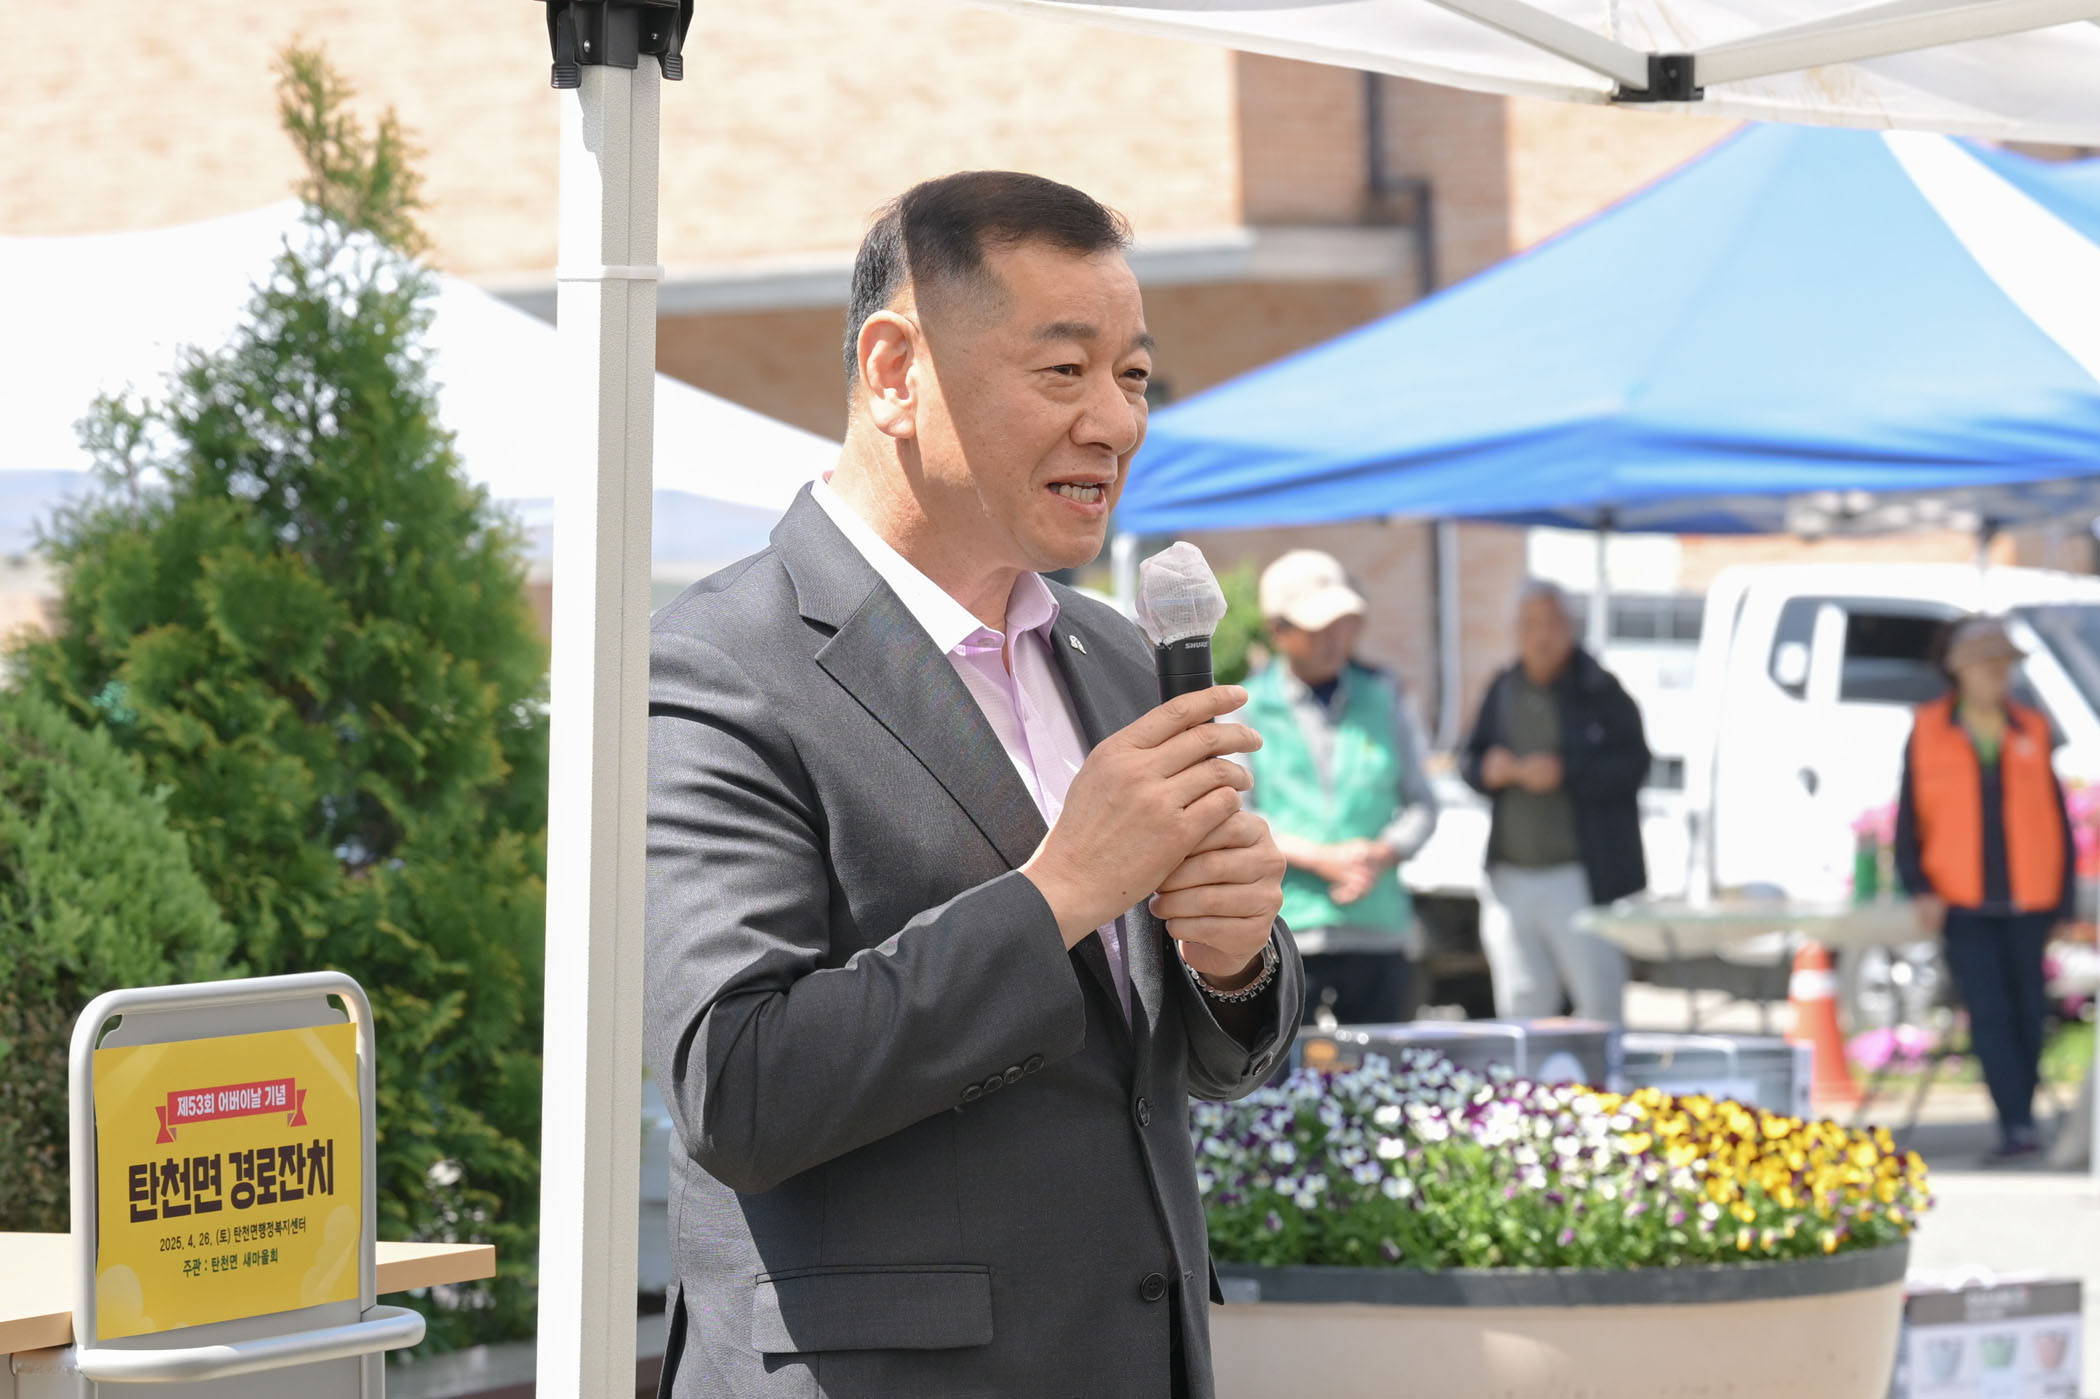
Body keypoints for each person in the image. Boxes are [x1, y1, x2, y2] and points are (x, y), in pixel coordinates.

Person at [645, 172, 1302, 1399]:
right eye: (1064, 370)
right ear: (896, 371)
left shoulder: (1118, 657)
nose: (1116, 422)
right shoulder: (719, 663)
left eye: (1135, 376)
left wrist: (1236, 963)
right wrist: (1060, 892)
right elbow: (737, 1087)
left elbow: (1184, 1065)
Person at [1895, 615, 2074, 1161]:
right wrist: (1919, 885)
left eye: (2005, 663)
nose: (1999, 673)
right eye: (1987, 663)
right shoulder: (1929, 728)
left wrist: (2064, 901)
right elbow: (1909, 820)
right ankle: (2016, 1124)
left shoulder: (2030, 727)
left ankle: (2023, 1118)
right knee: (1990, 1013)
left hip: (2029, 897)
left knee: (2029, 1012)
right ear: (1960, 670)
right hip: (1963, 901)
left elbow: (2057, 819)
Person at [1236, 549, 1438, 1025]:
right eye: (1317, 626)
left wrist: (1379, 853)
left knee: (1380, 1067)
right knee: (1282, 1068)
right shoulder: (1246, 706)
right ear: (1277, 630)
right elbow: (1236, 814)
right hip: (1284, 929)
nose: (1335, 639)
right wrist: (1319, 858)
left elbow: (1422, 804)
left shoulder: (1386, 696)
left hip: (1378, 927)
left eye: (1343, 624)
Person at [1461, 580, 1650, 1023]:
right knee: (1521, 1001)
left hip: (1580, 875)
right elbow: (1467, 758)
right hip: (1511, 875)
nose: (1541, 636)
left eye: (1551, 623)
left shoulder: (1600, 689)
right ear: (1516, 631)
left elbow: (1633, 765)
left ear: (1569, 627)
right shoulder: (1503, 688)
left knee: (1598, 1001)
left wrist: (1567, 771)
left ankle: (1603, 1070)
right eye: (1530, 624)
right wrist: (1487, 769)